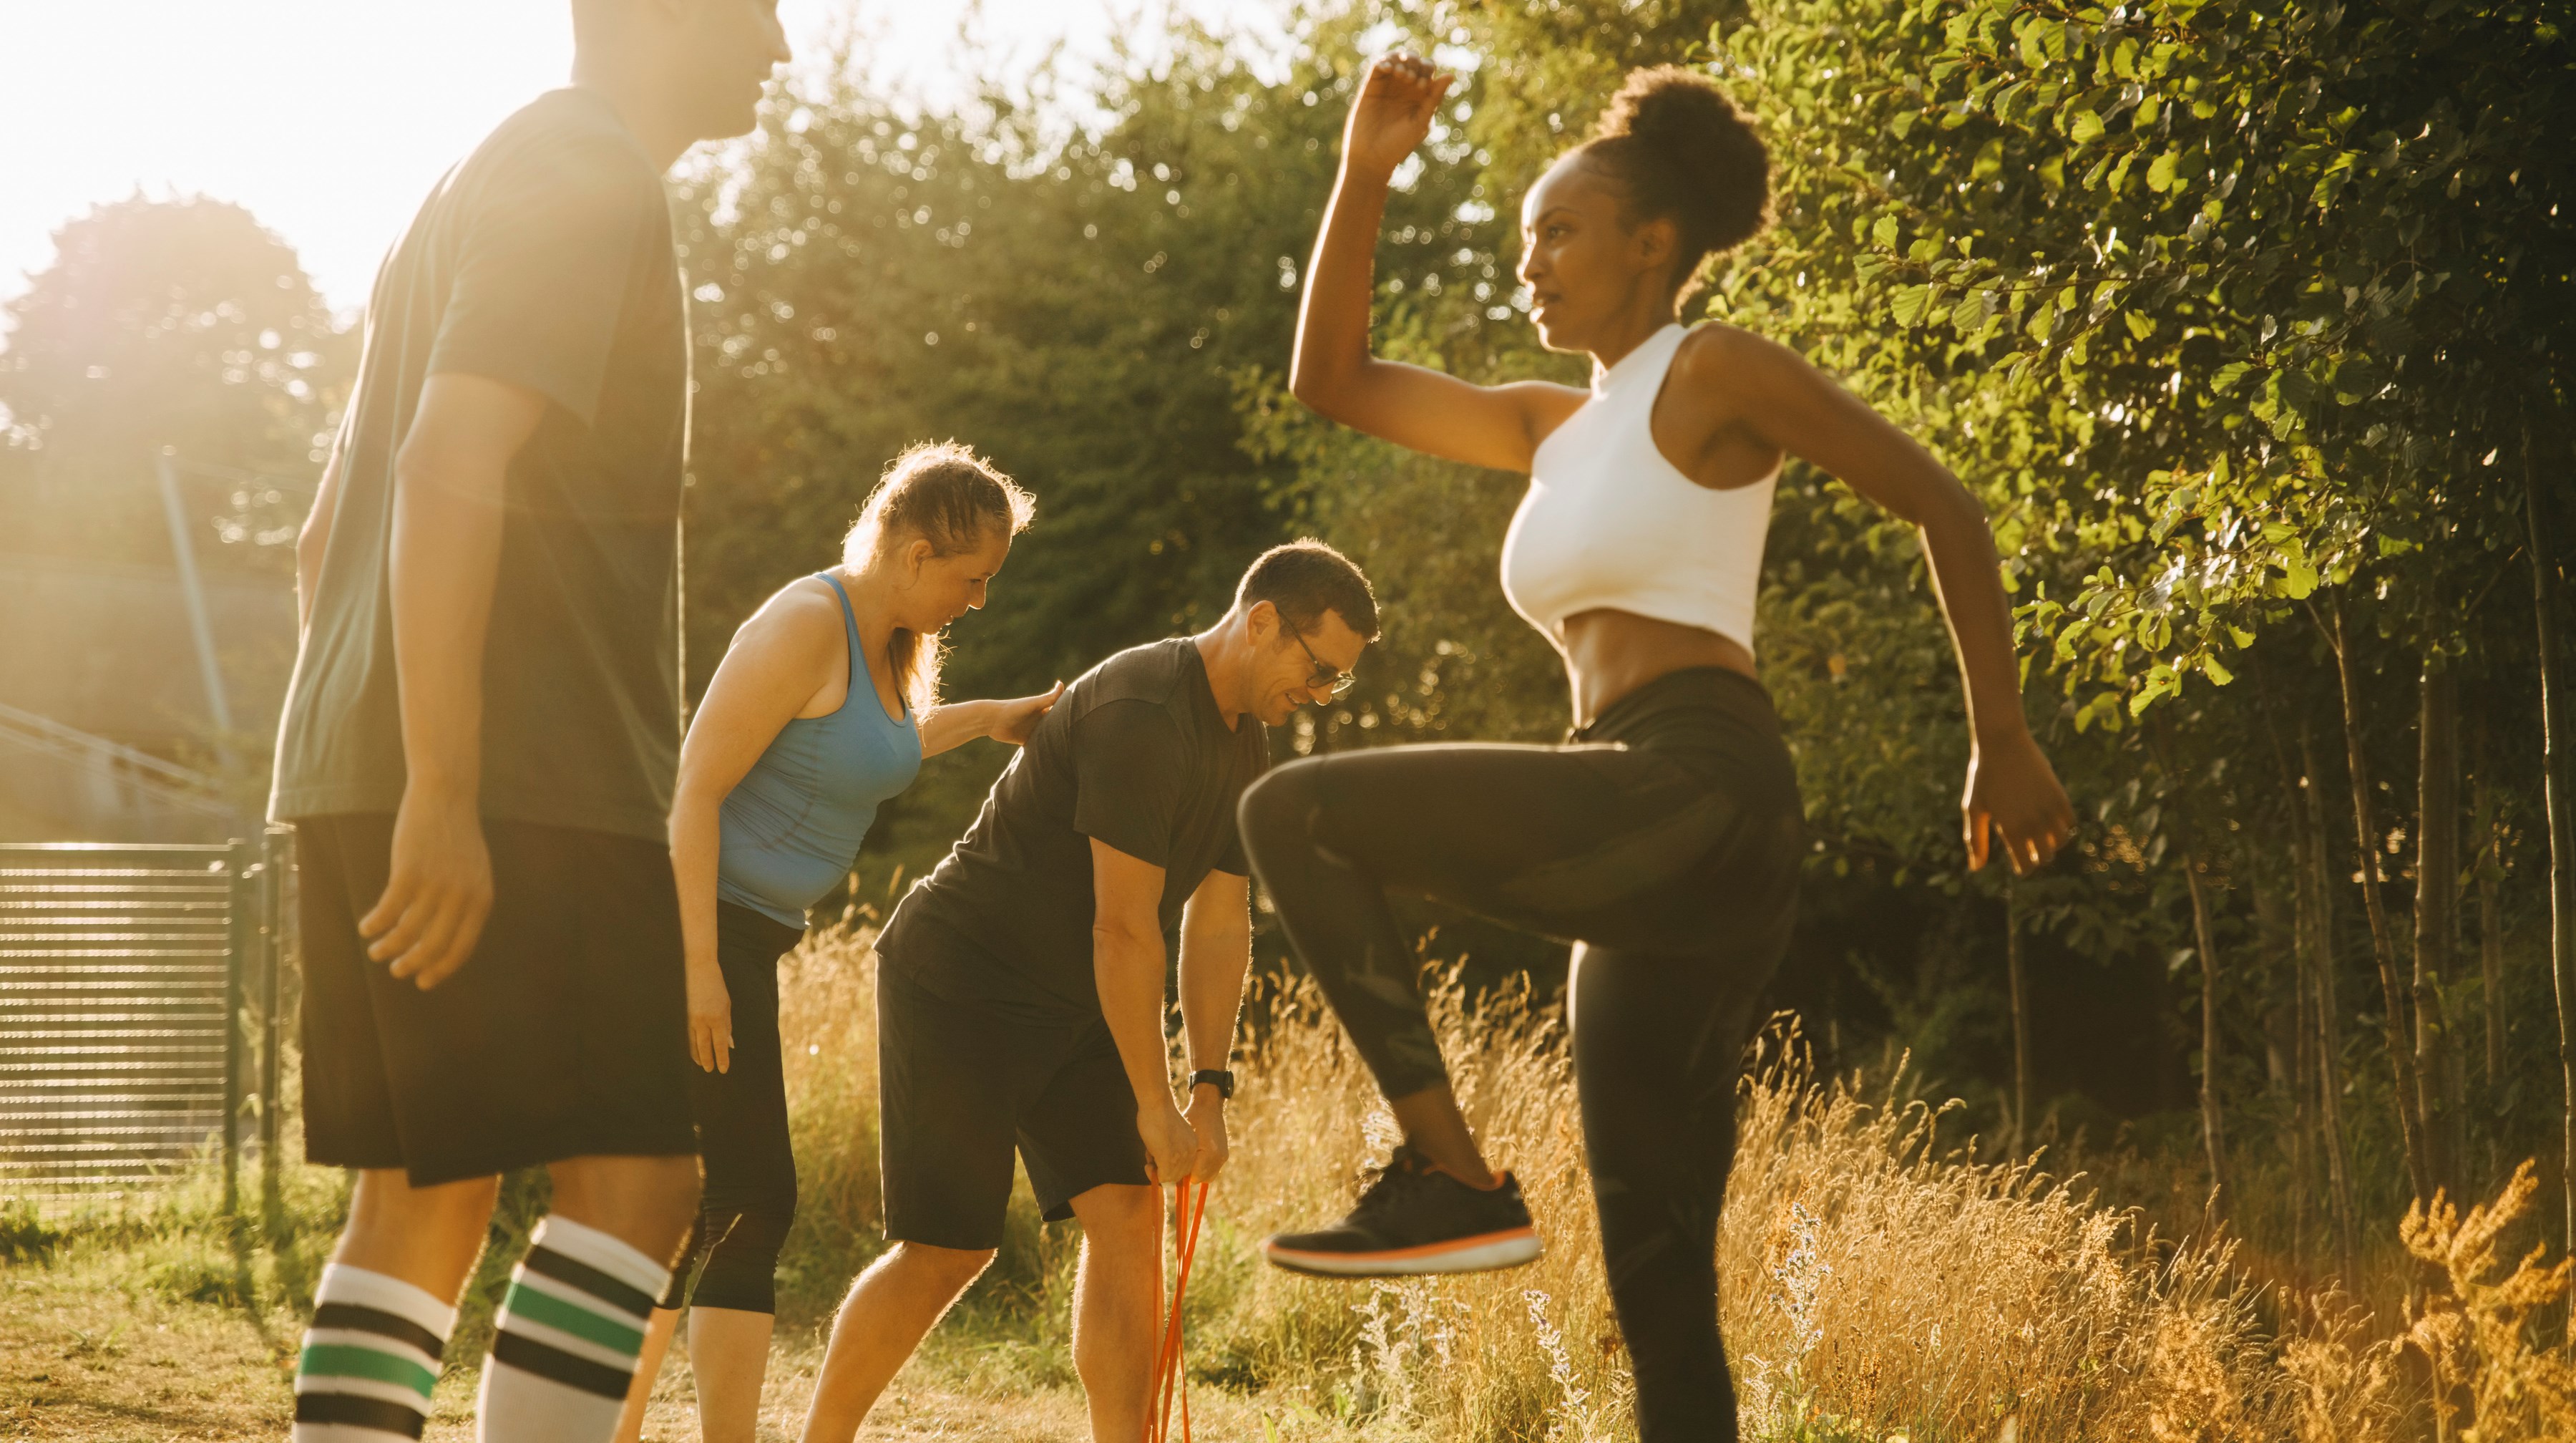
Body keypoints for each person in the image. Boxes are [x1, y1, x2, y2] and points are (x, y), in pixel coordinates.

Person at [1239, 56, 2077, 1440]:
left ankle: (1450, 1179)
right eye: (1523, 239)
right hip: (1630, 804)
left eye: (1559, 231)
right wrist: (1363, 173)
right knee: (1659, 1291)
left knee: (1299, 816)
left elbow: (1944, 504)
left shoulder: (1714, 368)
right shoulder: (1548, 424)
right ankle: (1471, 1200)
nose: (1532, 263)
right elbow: (1330, 378)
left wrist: (2002, 735)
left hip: (1704, 784)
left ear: (1654, 241)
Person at [266, 4, 790, 1440]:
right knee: (637, 1183)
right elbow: (450, 458)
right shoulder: (588, 170)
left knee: (422, 1197)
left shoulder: (465, 185)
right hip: (522, 783)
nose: (783, 46)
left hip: (374, 762)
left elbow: (324, 543)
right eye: (756, 10)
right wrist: (447, 786)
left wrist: (386, 768)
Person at [794, 541, 1379, 1443]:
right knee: (949, 1251)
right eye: (1321, 669)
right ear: (1263, 622)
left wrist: (1208, 1089)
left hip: (1078, 998)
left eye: (1338, 681)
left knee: (1130, 1211)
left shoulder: (1245, 740)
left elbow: (1220, 924)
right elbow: (1125, 929)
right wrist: (1153, 1100)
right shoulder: (1145, 710)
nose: (1322, 692)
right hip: (965, 980)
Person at [608, 443, 1061, 1443]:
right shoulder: (806, 624)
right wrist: (695, 972)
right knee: (743, 1195)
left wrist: (989, 720)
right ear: (910, 550)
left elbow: (883, 746)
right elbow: (692, 791)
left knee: (721, 1202)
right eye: (971, 576)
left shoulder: (890, 643)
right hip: (692, 931)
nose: (979, 600)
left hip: (745, 942)